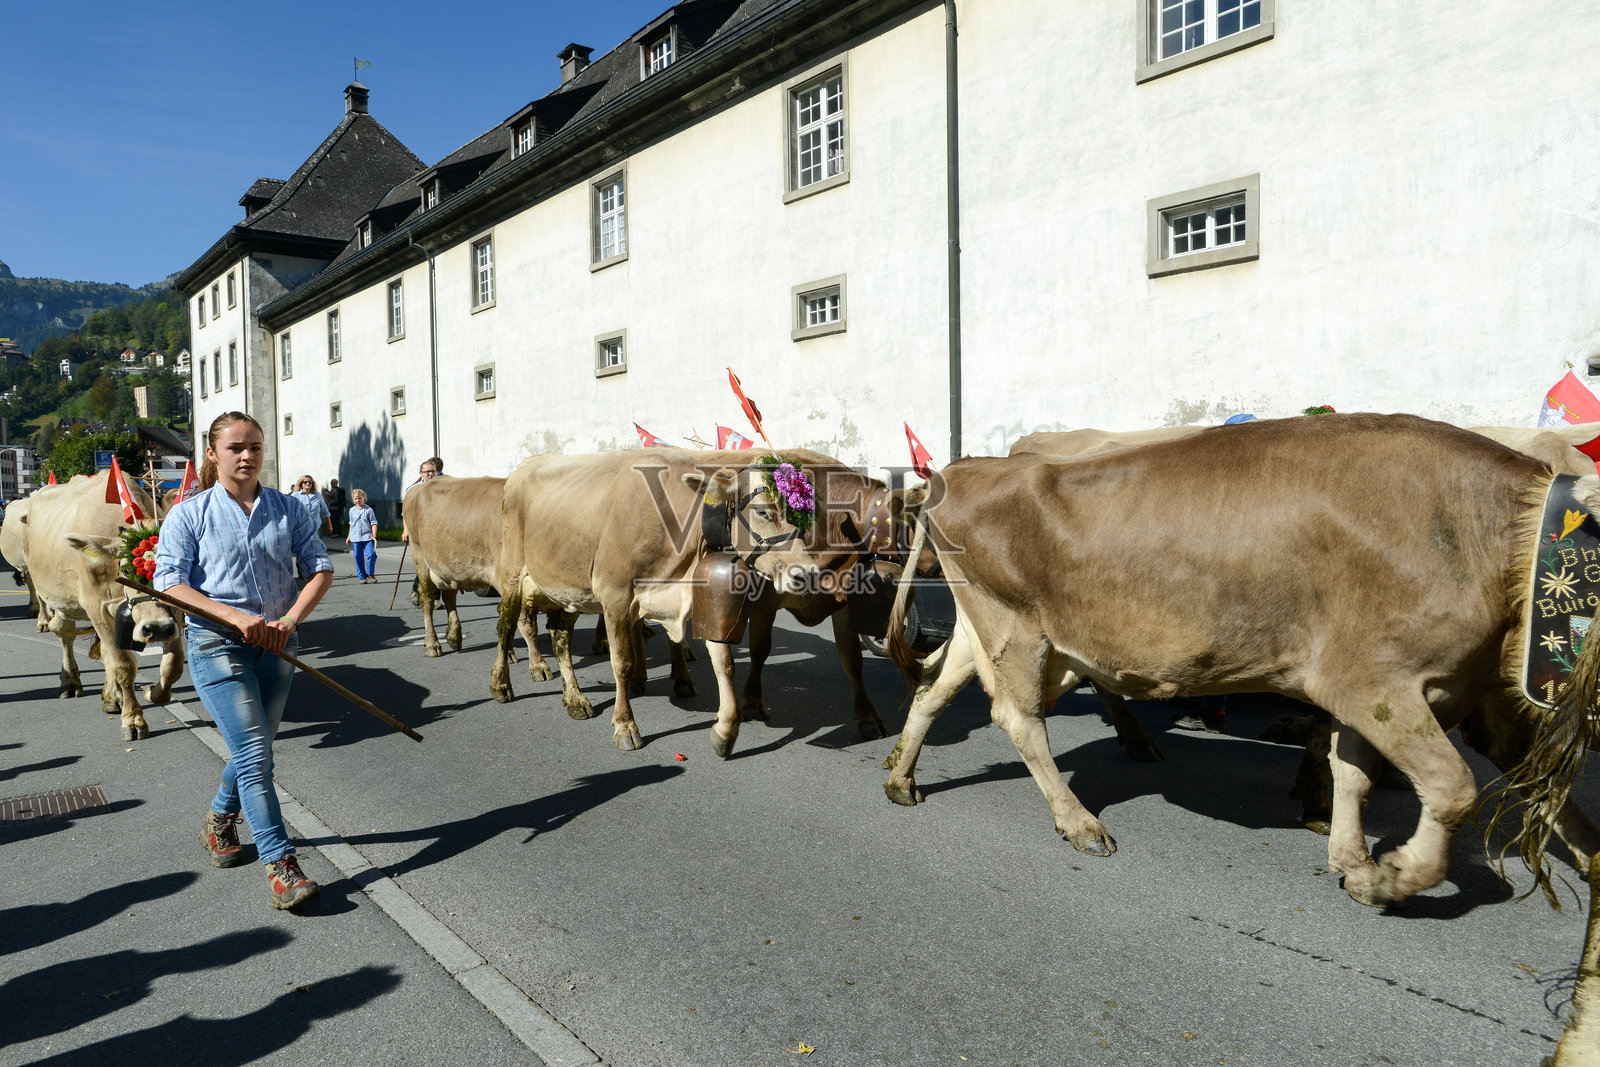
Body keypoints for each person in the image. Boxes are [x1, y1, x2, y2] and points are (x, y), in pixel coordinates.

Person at [154, 411, 333, 909]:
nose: (247, 455)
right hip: (217, 645)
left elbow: (319, 567)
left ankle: (218, 821)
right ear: (212, 454)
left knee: (256, 748)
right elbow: (168, 581)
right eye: (235, 447)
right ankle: (281, 865)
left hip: (278, 645)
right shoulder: (189, 514)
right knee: (255, 755)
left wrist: (290, 620)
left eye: (255, 446)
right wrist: (232, 617)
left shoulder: (290, 508)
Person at [400, 457, 443, 606]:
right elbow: (405, 513)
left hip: (437, 532)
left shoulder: (441, 487)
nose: (430, 474)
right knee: (423, 565)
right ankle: (416, 591)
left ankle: (435, 598)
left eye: (432, 471)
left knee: (437, 566)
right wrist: (406, 530)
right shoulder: (414, 491)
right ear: (421, 473)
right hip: (418, 532)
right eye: (427, 472)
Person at [346, 488, 378, 583]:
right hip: (355, 537)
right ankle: (362, 576)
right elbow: (351, 524)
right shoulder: (351, 511)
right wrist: (348, 536)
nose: (358, 500)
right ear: (353, 500)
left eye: (360, 498)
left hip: (368, 536)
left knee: (372, 554)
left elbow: (374, 523)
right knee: (357, 556)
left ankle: (370, 574)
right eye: (356, 498)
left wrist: (374, 533)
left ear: (364, 498)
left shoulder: (369, 510)